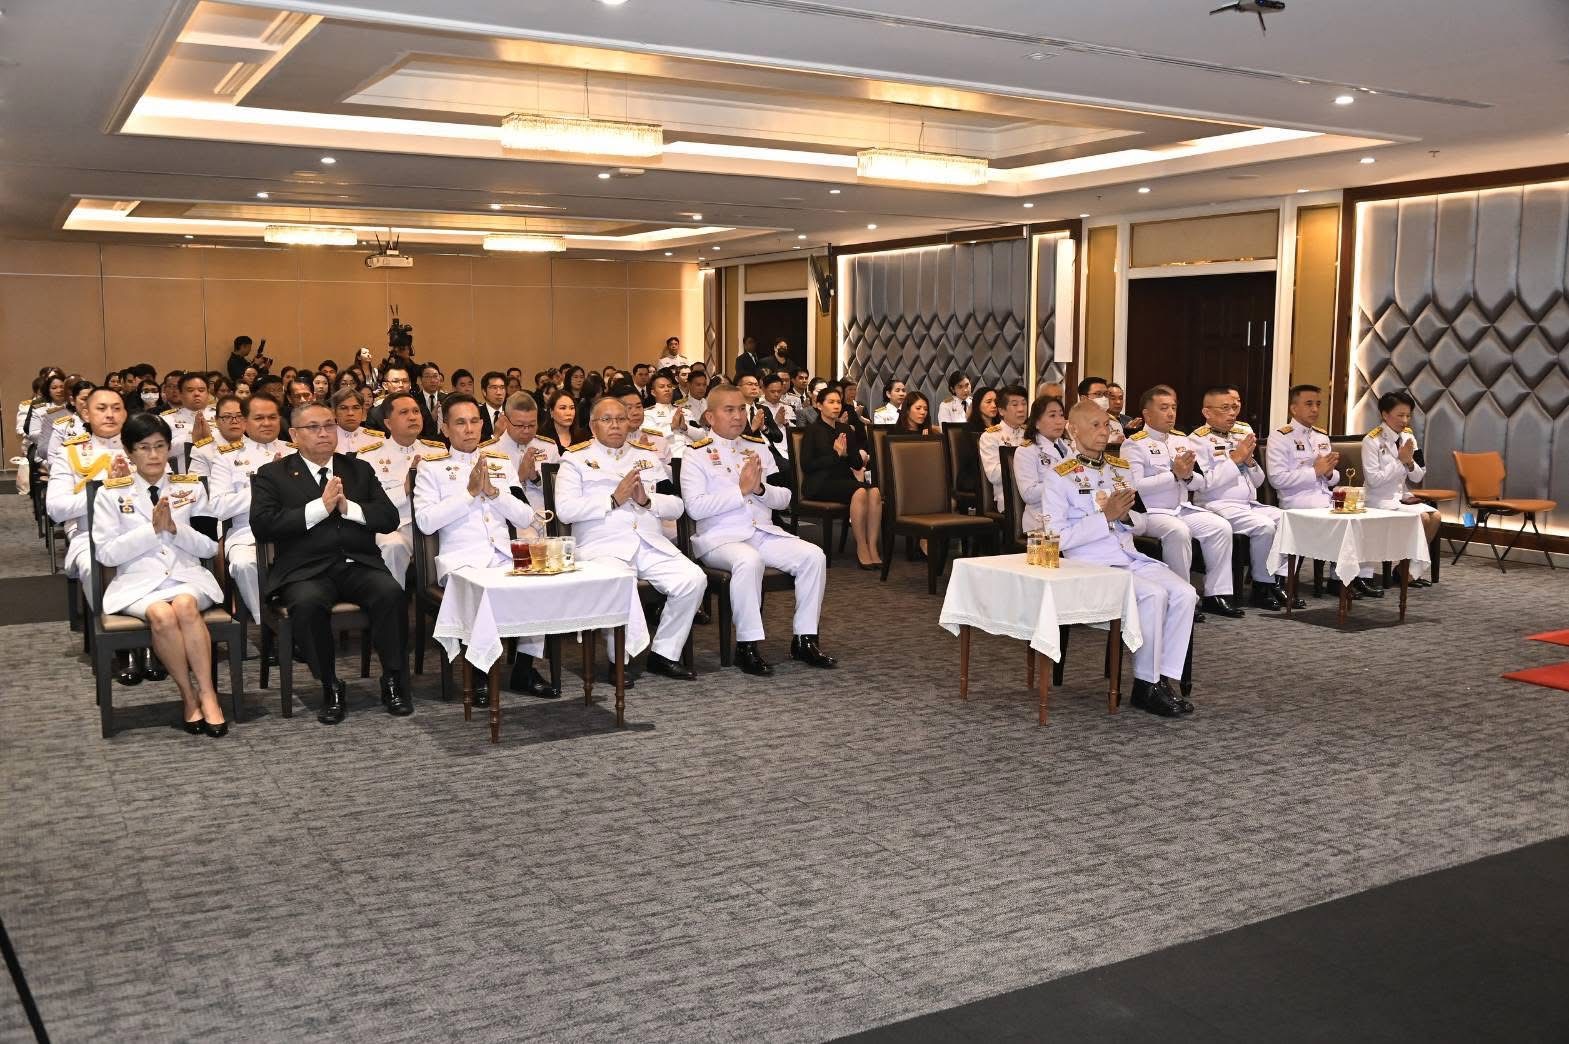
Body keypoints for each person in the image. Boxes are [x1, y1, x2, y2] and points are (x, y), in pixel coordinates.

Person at [250, 402, 410, 724]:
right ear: (294, 435)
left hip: (357, 564)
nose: (324, 433)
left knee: (391, 593)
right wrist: (319, 509)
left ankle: (393, 680)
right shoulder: (273, 474)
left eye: (329, 425)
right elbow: (263, 526)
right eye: (313, 427)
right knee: (307, 604)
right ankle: (330, 685)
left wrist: (350, 509)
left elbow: (389, 518)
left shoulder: (358, 469)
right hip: (304, 570)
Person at [1042, 401, 1197, 718]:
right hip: (1089, 565)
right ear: (1074, 429)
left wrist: (1125, 518)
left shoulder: (1119, 469)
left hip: (1128, 557)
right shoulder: (1059, 476)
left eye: (1106, 425)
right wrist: (1105, 517)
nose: (1104, 432)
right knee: (1154, 595)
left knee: (1186, 593)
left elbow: (1140, 522)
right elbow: (1056, 538)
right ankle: (1146, 684)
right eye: (1095, 425)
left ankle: (1161, 679)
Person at [681, 386, 836, 675]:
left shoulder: (758, 447)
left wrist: (760, 489)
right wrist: (740, 491)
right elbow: (695, 508)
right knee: (749, 560)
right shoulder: (696, 454)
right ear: (710, 417)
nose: (738, 416)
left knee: (814, 556)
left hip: (761, 532)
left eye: (742, 409)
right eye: (729, 410)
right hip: (720, 538)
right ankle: (747, 645)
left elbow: (785, 498)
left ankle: (805, 639)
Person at [92, 412, 229, 735]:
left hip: (187, 577)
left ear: (169, 448)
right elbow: (106, 554)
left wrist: (175, 529)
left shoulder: (191, 488)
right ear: (129, 452)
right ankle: (188, 695)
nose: (153, 455)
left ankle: (208, 694)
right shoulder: (110, 493)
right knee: (161, 614)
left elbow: (210, 546)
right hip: (139, 584)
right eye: (143, 447)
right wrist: (152, 530)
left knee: (184, 605)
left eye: (160, 446)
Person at [413, 395, 556, 699]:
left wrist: (493, 493)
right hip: (462, 562)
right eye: (460, 422)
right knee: (483, 594)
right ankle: (479, 672)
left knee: (538, 586)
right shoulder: (431, 468)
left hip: (502, 556)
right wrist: (468, 494)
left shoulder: (500, 463)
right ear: (445, 428)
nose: (469, 429)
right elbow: (425, 522)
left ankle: (524, 669)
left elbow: (524, 516)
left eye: (474, 421)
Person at [555, 396, 704, 681]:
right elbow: (565, 510)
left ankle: (664, 653)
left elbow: (676, 505)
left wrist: (647, 501)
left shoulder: (646, 457)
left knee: (693, 579)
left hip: (648, 542)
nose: (615, 425)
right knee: (620, 581)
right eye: (606, 420)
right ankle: (619, 661)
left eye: (621, 419)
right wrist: (612, 499)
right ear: (592, 426)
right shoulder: (575, 459)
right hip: (602, 547)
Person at [1122, 385, 1245, 618]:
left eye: (1173, 408)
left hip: (1180, 508)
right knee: (1178, 532)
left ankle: (1217, 594)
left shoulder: (1181, 440)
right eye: (1164, 408)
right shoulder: (1134, 444)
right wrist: (1174, 475)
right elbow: (1134, 487)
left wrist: (1187, 476)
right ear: (1147, 414)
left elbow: (1198, 482)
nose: (1171, 413)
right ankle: (1182, 598)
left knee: (1220, 527)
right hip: (1151, 512)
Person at [1190, 386, 1299, 610]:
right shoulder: (1197, 440)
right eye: (1225, 408)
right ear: (1207, 412)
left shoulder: (1242, 432)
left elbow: (1258, 481)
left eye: (1234, 407)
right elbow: (1205, 484)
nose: (1232, 413)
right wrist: (1235, 460)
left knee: (1290, 520)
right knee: (1264, 526)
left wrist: (1249, 462)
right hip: (1216, 505)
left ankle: (1279, 581)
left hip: (1248, 504)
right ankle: (1262, 586)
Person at [207, 393, 289, 621]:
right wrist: (265, 485)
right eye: (259, 418)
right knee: (244, 564)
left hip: (295, 531)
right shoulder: (226, 457)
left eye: (272, 417)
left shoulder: (297, 451)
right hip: (247, 533)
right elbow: (218, 507)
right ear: (244, 422)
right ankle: (267, 625)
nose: (267, 423)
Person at [47, 387, 128, 615]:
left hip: (140, 529)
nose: (110, 415)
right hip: (89, 533)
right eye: (101, 409)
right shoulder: (70, 453)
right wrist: (105, 490)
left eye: (116, 408)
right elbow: (56, 509)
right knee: (94, 567)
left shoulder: (143, 447)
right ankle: (111, 624)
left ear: (125, 414)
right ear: (86, 414)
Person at [354, 391, 445, 585]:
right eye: (404, 412)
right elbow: (370, 505)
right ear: (388, 423)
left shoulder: (437, 451)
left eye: (416, 411)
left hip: (433, 524)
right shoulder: (369, 456)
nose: (413, 417)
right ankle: (393, 599)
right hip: (394, 526)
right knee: (392, 545)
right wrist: (405, 488)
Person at [1360, 390, 1440, 590]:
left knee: (1435, 516)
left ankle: (1408, 571)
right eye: (1400, 415)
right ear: (1385, 415)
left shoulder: (1409, 437)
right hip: (1377, 499)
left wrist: (1409, 462)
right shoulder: (1371, 441)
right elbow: (1374, 480)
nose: (1404, 421)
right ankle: (1407, 572)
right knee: (1422, 518)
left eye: (1408, 415)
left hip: (1400, 498)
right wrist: (1400, 461)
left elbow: (1418, 476)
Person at [800, 386, 883, 569]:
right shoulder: (813, 430)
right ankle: (861, 547)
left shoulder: (845, 429)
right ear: (819, 405)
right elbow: (807, 465)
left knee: (875, 492)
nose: (836, 406)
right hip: (820, 483)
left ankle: (872, 546)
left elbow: (857, 464)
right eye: (831, 402)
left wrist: (847, 454)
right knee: (859, 491)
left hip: (844, 480)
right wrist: (836, 454)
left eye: (838, 402)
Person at [1014, 394, 1072, 535]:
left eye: (1061, 415)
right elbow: (1029, 494)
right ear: (1037, 423)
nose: (1059, 421)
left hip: (1070, 517)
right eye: (1052, 416)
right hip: (1041, 521)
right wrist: (1061, 483)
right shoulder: (1026, 451)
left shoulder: (1068, 448)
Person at [978, 385, 1030, 512]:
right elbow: (994, 475)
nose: (1021, 409)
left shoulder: (1031, 435)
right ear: (1001, 411)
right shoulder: (990, 437)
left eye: (1024, 403)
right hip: (1010, 499)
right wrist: (1026, 464)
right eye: (1015, 404)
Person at [189, 394, 246, 479]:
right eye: (227, 416)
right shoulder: (202, 451)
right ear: (216, 420)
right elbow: (199, 484)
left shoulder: (257, 445)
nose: (234, 421)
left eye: (240, 416)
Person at [326, 386, 379, 455]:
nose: (350, 413)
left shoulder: (376, 439)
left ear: (362, 411)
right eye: (344, 408)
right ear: (334, 413)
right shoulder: (325, 439)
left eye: (356, 408)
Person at [540, 389, 589, 454]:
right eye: (562, 408)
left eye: (572, 408)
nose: (569, 413)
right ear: (551, 412)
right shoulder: (542, 438)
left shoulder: (583, 437)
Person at [416, 362, 445, 439]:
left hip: (444, 442)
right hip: (421, 441)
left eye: (435, 376)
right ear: (420, 380)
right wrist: (430, 419)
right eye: (427, 376)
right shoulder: (414, 401)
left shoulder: (446, 399)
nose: (432, 380)